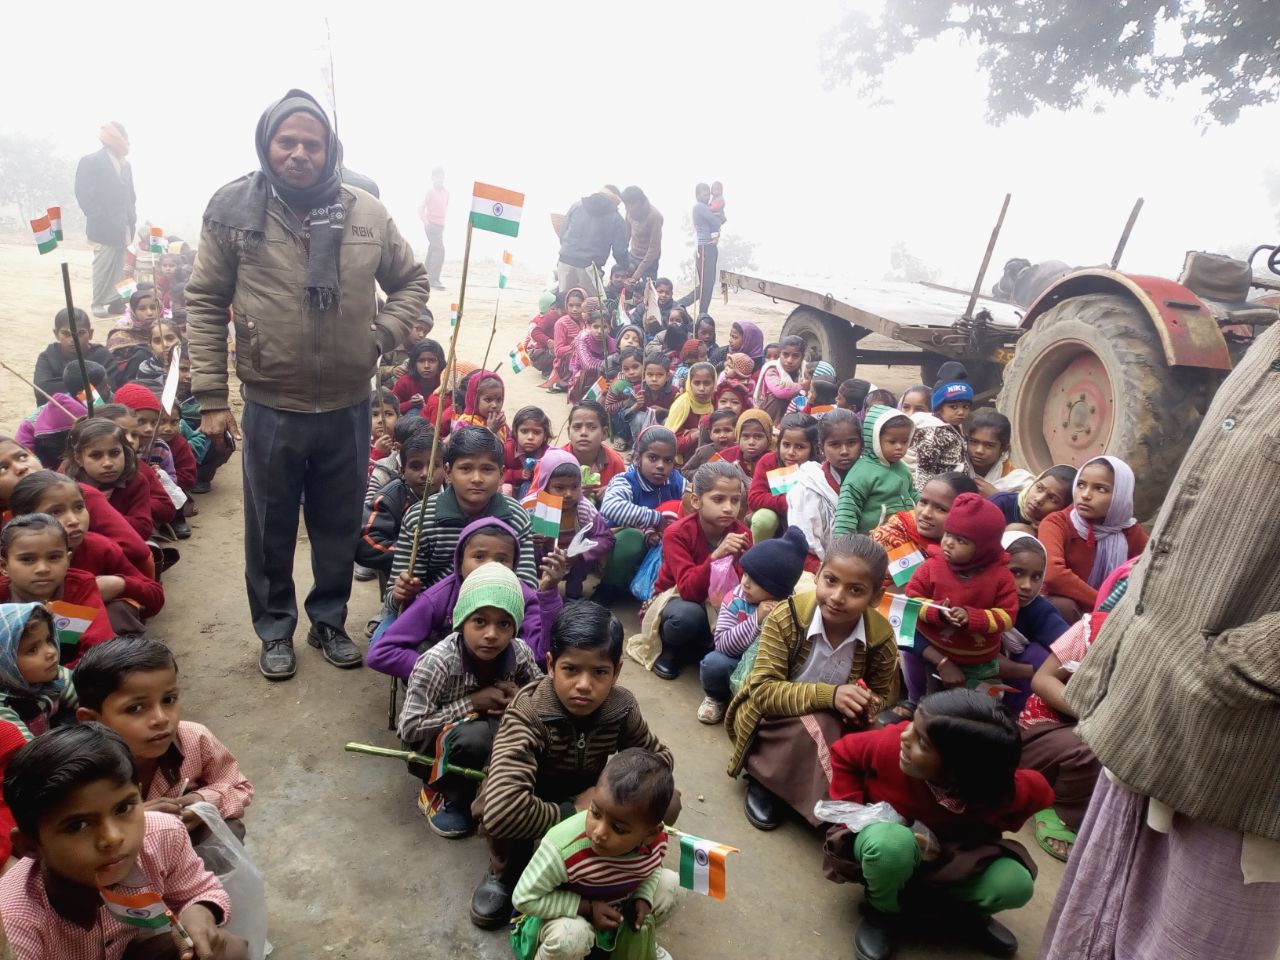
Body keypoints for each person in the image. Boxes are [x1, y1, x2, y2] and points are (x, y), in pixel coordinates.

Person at [1040, 322, 1280, 960]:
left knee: (1190, 932)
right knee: (1102, 918)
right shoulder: (1268, 346)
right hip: (1154, 710)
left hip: (1237, 740)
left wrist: (1218, 671)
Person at [185, 88, 429, 681]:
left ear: (329, 149)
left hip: (348, 402)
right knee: (269, 525)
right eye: (286, 141)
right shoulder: (232, 210)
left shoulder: (366, 212)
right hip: (271, 401)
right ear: (267, 144)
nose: (299, 153)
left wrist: (380, 338)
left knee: (337, 521)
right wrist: (214, 399)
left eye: (311, 144)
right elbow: (205, 300)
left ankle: (328, 620)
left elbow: (412, 282)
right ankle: (274, 629)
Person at [469, 602, 676, 929]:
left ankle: (611, 869)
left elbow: (659, 760)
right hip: (529, 796)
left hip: (593, 800)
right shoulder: (529, 712)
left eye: (599, 672)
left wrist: (612, 789)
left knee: (664, 798)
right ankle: (504, 873)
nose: (584, 684)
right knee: (498, 813)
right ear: (551, 665)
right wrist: (574, 810)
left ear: (616, 672)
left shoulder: (620, 707)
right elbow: (503, 810)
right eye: (571, 669)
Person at [825, 690, 1052, 960]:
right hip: (890, 846)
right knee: (890, 845)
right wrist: (853, 812)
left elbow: (1040, 795)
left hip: (954, 857)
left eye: (922, 741)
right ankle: (882, 910)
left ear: (960, 771)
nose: (904, 736)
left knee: (1015, 883)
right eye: (913, 724)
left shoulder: (1004, 790)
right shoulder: (889, 745)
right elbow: (844, 754)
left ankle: (964, 916)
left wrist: (992, 821)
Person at [0, 723, 246, 959]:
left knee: (228, 950)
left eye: (123, 808)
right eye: (78, 825)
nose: (113, 837)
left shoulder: (162, 834)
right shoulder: (13, 921)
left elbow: (199, 888)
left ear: (139, 796)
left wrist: (199, 912)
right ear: (29, 845)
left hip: (127, 949)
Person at [726, 535, 899, 831]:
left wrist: (867, 704)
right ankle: (765, 780)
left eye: (855, 590)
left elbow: (884, 694)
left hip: (835, 722)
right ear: (817, 576)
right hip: (772, 720)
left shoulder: (881, 638)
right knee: (820, 723)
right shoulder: (787, 616)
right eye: (830, 580)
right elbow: (763, 691)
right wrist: (831, 696)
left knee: (886, 736)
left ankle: (821, 795)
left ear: (875, 598)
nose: (837, 596)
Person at [398, 563, 544, 838]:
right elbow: (408, 729)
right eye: (480, 621)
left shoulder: (519, 652)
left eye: (503, 623)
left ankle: (499, 789)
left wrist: (521, 698)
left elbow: (544, 698)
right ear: (461, 621)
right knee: (476, 738)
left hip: (493, 740)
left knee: (529, 730)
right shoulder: (437, 663)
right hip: (436, 750)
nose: (491, 634)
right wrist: (472, 703)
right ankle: (446, 795)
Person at [73, 637, 254, 835]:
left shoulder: (194, 738)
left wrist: (203, 802)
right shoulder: (75, 770)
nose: (161, 719)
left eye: (169, 700)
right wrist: (131, 818)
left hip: (184, 851)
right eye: (135, 708)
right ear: (91, 720)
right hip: (117, 857)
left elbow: (239, 788)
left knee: (229, 828)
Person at [510, 749, 679, 960]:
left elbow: (651, 870)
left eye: (618, 828)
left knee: (670, 884)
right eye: (595, 813)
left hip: (610, 908)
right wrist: (586, 908)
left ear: (650, 833)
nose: (599, 832)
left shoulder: (656, 843)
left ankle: (635, 944)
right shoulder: (564, 848)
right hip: (549, 920)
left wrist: (643, 898)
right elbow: (523, 898)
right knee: (571, 937)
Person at [1017, 560, 1125, 862]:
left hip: (1104, 733)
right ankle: (1059, 810)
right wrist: (1095, 716)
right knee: (1092, 744)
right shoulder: (1093, 630)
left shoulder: (1160, 652)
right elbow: (1042, 679)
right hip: (1046, 731)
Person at [371, 518, 567, 676]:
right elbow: (381, 653)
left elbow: (542, 657)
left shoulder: (524, 596)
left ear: (514, 565)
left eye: (501, 559)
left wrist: (549, 593)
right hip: (446, 682)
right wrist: (443, 673)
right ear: (460, 561)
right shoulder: (438, 597)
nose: (489, 565)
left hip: (503, 682)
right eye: (479, 557)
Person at [390, 427, 540, 611]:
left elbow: (526, 587)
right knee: (384, 639)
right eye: (466, 468)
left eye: (487, 469)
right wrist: (401, 594)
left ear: (501, 475)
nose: (477, 478)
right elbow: (394, 596)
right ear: (448, 472)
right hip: (430, 613)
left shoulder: (515, 517)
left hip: (496, 613)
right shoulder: (420, 518)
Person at [10, 471, 164, 635]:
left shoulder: (99, 548)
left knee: (119, 611)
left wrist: (120, 584)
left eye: (79, 507)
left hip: (95, 645)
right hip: (27, 649)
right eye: (55, 512)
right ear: (24, 519)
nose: (74, 520)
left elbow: (155, 596)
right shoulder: (10, 558)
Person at [904, 493, 1019, 695]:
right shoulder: (931, 566)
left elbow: (1007, 616)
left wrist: (972, 617)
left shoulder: (1000, 577)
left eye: (961, 540)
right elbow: (911, 601)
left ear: (984, 547)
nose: (948, 543)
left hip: (980, 662)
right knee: (935, 702)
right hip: (936, 653)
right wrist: (937, 611)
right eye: (948, 534)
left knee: (981, 705)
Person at [651, 462, 752, 681]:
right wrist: (716, 556)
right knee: (687, 617)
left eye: (735, 500)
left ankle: (706, 645)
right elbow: (687, 589)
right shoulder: (677, 533)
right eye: (718, 499)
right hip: (677, 598)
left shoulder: (742, 533)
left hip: (721, 601)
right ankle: (670, 650)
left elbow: (745, 581)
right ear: (697, 501)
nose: (728, 508)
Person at [699, 526, 808, 724]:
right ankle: (718, 698)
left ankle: (757, 708)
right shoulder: (735, 599)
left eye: (756, 581)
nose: (746, 583)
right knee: (713, 664)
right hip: (734, 662)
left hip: (765, 673)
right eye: (746, 574)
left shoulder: (790, 609)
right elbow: (723, 644)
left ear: (777, 590)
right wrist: (756, 618)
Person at [1038, 455, 1147, 622]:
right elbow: (1053, 575)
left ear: (1120, 495)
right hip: (1066, 612)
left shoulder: (1130, 532)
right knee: (1064, 606)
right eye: (1081, 485)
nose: (1085, 495)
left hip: (1109, 614)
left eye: (1100, 489)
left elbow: (1151, 570)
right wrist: (1105, 604)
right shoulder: (1057, 522)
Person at [0, 515, 113, 663]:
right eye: (27, 559)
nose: (43, 569)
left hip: (74, 676)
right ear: (4, 566)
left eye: (54, 557)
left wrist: (62, 678)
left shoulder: (80, 587)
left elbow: (100, 649)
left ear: (68, 560)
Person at [598, 427, 685, 598]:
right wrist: (656, 518)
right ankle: (608, 587)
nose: (660, 466)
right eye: (653, 458)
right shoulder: (626, 480)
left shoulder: (676, 480)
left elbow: (696, 500)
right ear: (638, 458)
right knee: (632, 538)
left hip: (658, 545)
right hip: (621, 551)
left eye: (668, 460)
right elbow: (610, 507)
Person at [523, 450, 613, 601]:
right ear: (545, 485)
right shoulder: (530, 506)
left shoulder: (584, 509)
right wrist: (529, 542)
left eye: (575, 487)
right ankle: (530, 595)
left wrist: (581, 552)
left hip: (573, 561)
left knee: (583, 561)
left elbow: (606, 538)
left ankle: (573, 595)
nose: (569, 494)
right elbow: (511, 536)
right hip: (541, 557)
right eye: (560, 488)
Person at [356, 428, 435, 594]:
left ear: (448, 470)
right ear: (402, 471)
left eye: (434, 465)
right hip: (400, 590)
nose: (426, 474)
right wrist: (414, 555)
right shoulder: (392, 496)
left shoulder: (456, 494)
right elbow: (366, 543)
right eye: (415, 466)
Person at [998, 534, 1069, 715]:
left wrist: (1019, 670)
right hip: (963, 680)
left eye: (1036, 577)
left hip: (1019, 690)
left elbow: (1073, 652)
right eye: (1017, 572)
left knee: (1037, 655)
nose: (1027, 586)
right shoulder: (975, 600)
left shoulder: (1039, 610)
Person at [787, 408, 862, 570]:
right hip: (819, 568)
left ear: (861, 444)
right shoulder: (808, 486)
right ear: (821, 448)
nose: (844, 451)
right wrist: (825, 570)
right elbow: (800, 545)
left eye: (851, 443)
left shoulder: (874, 481)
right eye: (835, 444)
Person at [74, 122, 136, 318]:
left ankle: (117, 303)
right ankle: (98, 302)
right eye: (123, 137)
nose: (126, 142)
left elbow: (130, 194)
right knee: (103, 264)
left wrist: (131, 215)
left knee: (120, 265)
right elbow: (83, 192)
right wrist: (96, 215)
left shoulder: (126, 164)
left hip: (124, 224)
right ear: (114, 139)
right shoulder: (91, 161)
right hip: (102, 226)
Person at [833, 405, 917, 535]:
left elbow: (912, 492)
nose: (899, 447)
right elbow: (846, 515)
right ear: (875, 440)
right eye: (892, 441)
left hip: (907, 538)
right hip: (875, 545)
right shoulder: (861, 474)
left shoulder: (902, 467)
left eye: (905, 441)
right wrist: (844, 549)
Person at [0, 603, 76, 741]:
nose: (51, 652)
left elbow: (90, 700)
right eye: (32, 650)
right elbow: (28, 752)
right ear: (5, 662)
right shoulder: (3, 709)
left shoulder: (53, 675)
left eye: (48, 640)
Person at [747, 412, 819, 542]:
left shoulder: (818, 469)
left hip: (808, 522)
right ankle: (756, 554)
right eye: (786, 445)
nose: (791, 452)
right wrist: (791, 500)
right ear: (779, 443)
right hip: (776, 519)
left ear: (813, 449)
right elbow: (754, 498)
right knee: (763, 519)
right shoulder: (769, 462)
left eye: (800, 447)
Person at [556, 189, 630, 295]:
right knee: (596, 306)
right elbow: (619, 251)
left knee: (565, 300)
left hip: (565, 261)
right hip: (591, 267)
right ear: (614, 201)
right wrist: (626, 266)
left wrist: (569, 250)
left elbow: (562, 232)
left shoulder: (577, 206)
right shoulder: (616, 218)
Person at [31, 308, 113, 404]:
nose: (73, 339)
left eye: (81, 333)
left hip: (98, 414)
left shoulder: (102, 355)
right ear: (56, 334)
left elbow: (110, 388)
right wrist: (90, 388)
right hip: (58, 411)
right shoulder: (48, 357)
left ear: (90, 333)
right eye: (66, 333)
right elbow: (42, 390)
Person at [561, 401, 626, 503]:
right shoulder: (556, 461)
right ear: (569, 432)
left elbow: (626, 495)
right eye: (577, 427)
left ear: (604, 433)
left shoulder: (615, 462)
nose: (583, 433)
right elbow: (536, 497)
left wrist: (614, 492)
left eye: (592, 427)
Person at [966, 410, 1032, 495]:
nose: (979, 450)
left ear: (1004, 448)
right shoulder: (955, 466)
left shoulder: (1019, 481)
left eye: (989, 445)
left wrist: (996, 496)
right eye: (973, 442)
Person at [989, 465, 1075, 529]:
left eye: (1052, 499)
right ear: (1034, 483)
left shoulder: (1056, 530)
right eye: (1039, 488)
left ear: (1064, 508)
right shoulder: (1000, 503)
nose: (1039, 499)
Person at [666, 361, 716, 462]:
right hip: (684, 459)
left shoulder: (716, 401)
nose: (701, 388)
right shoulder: (682, 404)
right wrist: (696, 434)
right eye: (697, 383)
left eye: (707, 383)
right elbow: (669, 443)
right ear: (689, 383)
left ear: (714, 383)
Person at [752, 335, 805, 423]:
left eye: (795, 356)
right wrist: (802, 387)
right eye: (785, 354)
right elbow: (780, 391)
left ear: (802, 357)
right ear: (780, 354)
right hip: (769, 414)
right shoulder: (772, 369)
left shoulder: (805, 370)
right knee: (778, 399)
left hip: (794, 416)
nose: (789, 360)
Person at [692, 182, 726, 317]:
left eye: (708, 194)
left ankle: (703, 313)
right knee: (705, 285)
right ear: (697, 195)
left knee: (709, 284)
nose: (707, 197)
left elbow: (720, 220)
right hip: (704, 248)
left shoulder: (707, 207)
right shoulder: (699, 207)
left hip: (709, 247)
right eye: (704, 194)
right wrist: (720, 218)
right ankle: (685, 305)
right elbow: (718, 222)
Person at [504, 406, 552, 499]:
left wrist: (534, 474)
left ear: (545, 435)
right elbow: (497, 474)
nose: (530, 437)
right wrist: (519, 474)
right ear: (515, 432)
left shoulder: (548, 454)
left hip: (535, 495)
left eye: (537, 432)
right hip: (510, 494)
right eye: (524, 431)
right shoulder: (507, 450)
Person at [392, 338, 448, 417]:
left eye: (432, 360)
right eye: (421, 361)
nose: (426, 366)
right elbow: (390, 409)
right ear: (414, 363)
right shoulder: (405, 382)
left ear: (440, 362)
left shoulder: (446, 383)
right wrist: (410, 404)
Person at [452, 369, 509, 441]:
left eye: (499, 400)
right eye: (488, 399)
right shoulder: (465, 423)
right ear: (475, 400)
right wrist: (490, 430)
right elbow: (468, 448)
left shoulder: (499, 421)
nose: (494, 405)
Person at [621, 186, 663, 283]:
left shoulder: (655, 216)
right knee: (627, 288)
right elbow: (626, 236)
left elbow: (654, 249)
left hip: (649, 261)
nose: (627, 208)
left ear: (639, 202)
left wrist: (638, 273)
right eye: (625, 205)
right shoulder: (629, 212)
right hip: (633, 255)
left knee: (647, 290)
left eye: (630, 205)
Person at [420, 165, 448, 290]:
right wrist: (426, 222)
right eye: (437, 176)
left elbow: (444, 208)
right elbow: (420, 208)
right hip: (431, 225)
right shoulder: (430, 191)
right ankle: (433, 279)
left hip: (440, 226)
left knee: (433, 249)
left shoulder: (446, 193)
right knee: (440, 250)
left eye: (441, 176)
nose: (439, 179)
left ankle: (424, 277)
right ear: (432, 178)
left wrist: (442, 224)